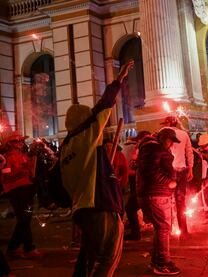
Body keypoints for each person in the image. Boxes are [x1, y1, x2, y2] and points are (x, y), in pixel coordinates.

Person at [60, 60, 134, 276]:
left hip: (81, 210)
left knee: (88, 257)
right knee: (106, 259)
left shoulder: (65, 148)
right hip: (99, 206)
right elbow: (104, 105)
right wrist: (118, 80)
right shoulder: (86, 136)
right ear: (85, 120)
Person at [137, 128, 181, 276]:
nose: (171, 145)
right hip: (155, 194)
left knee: (161, 227)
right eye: (170, 141)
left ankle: (158, 260)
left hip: (157, 193)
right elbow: (150, 171)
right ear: (163, 138)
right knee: (163, 227)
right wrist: (169, 181)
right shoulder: (152, 147)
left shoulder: (153, 147)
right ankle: (163, 263)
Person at [1, 131, 40, 259]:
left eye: (21, 140)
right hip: (16, 190)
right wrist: (23, 170)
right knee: (24, 218)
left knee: (24, 219)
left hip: (25, 188)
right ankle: (28, 248)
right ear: (10, 144)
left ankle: (14, 247)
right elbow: (6, 176)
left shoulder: (21, 155)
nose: (21, 142)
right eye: (18, 141)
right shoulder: (6, 158)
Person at [160, 116, 194, 239]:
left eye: (165, 123)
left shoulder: (162, 133)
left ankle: (168, 231)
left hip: (170, 172)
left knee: (167, 201)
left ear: (169, 123)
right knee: (181, 202)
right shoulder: (184, 134)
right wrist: (190, 168)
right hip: (182, 171)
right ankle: (183, 232)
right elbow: (189, 152)